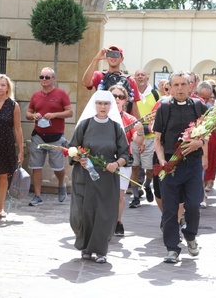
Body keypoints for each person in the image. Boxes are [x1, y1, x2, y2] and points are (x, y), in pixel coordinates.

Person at [153, 71, 208, 264]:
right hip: (170, 164)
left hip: (192, 164)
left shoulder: (199, 106)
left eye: (183, 84)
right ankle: (172, 248)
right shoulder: (164, 108)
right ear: (169, 87)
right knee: (169, 209)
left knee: (193, 205)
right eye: (175, 85)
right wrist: (161, 161)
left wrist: (198, 144)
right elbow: (158, 139)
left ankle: (190, 235)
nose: (179, 88)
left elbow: (206, 135)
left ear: (190, 86)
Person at [68, 90, 130, 263]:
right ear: (94, 105)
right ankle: (86, 246)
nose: (103, 107)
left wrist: (116, 164)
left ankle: (100, 249)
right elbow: (72, 148)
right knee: (82, 213)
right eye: (99, 103)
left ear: (110, 106)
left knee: (104, 213)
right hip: (84, 176)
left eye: (106, 104)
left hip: (106, 178)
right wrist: (78, 157)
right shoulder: (85, 125)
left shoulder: (116, 128)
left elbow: (125, 154)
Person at [26, 67, 73, 206]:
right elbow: (28, 113)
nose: (44, 80)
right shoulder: (36, 95)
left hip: (56, 137)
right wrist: (33, 115)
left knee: (58, 167)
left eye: (47, 77)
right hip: (38, 136)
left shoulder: (61, 93)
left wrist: (55, 115)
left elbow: (70, 112)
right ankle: (38, 196)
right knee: (36, 166)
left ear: (53, 79)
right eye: (42, 77)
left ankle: (61, 184)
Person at [109, 85, 144, 236]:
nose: (117, 99)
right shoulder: (101, 115)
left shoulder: (129, 119)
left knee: (119, 195)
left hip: (123, 160)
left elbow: (137, 140)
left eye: (120, 97)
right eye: (114, 96)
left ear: (125, 100)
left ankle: (118, 221)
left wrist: (141, 131)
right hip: (103, 160)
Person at [82, 45, 141, 119]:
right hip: (102, 120)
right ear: (106, 58)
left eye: (116, 54)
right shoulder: (99, 75)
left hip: (122, 120)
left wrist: (136, 125)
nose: (113, 57)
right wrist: (96, 59)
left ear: (122, 59)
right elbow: (85, 83)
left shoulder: (130, 80)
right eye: (110, 54)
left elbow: (133, 106)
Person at [128, 69, 159, 208]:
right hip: (134, 135)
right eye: (137, 74)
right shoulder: (130, 94)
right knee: (134, 167)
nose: (140, 76)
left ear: (148, 76)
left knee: (149, 169)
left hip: (151, 136)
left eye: (142, 74)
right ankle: (135, 196)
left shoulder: (154, 93)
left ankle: (147, 185)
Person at [0, 74, 24, 218]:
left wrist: (21, 150)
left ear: (8, 88)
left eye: (3, 85)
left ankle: (0, 208)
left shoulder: (13, 105)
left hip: (5, 145)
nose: (0, 88)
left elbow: (17, 129)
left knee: (2, 177)